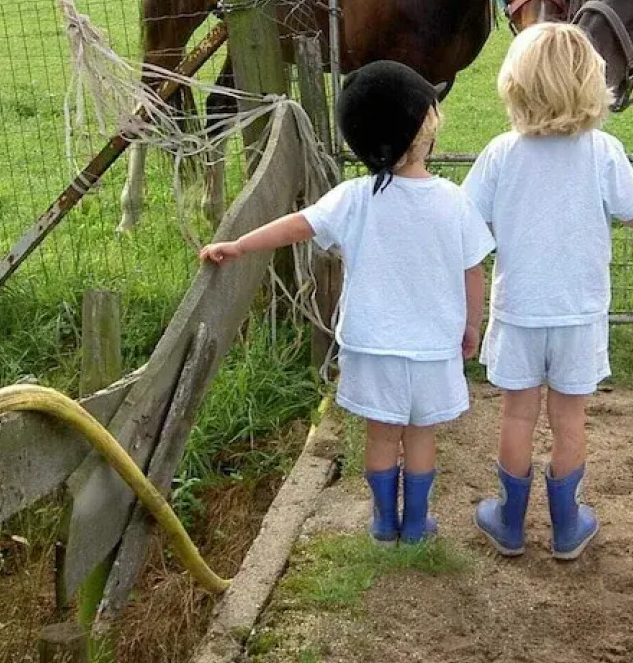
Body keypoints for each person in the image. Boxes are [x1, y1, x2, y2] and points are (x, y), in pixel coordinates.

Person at [201, 60, 493, 544]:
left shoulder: (354, 197)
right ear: (424, 129)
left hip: (372, 345)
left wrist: (239, 245)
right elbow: (473, 271)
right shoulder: (454, 200)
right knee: (420, 435)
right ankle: (416, 525)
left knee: (381, 435)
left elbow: (298, 225)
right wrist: (472, 326)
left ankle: (383, 522)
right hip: (432, 347)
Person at [463, 23, 633, 560]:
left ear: (515, 85)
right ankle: (568, 526)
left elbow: (467, 225)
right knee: (570, 418)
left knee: (517, 415)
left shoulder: (501, 154)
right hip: (580, 312)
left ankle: (510, 522)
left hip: (520, 310)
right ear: (592, 84)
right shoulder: (605, 152)